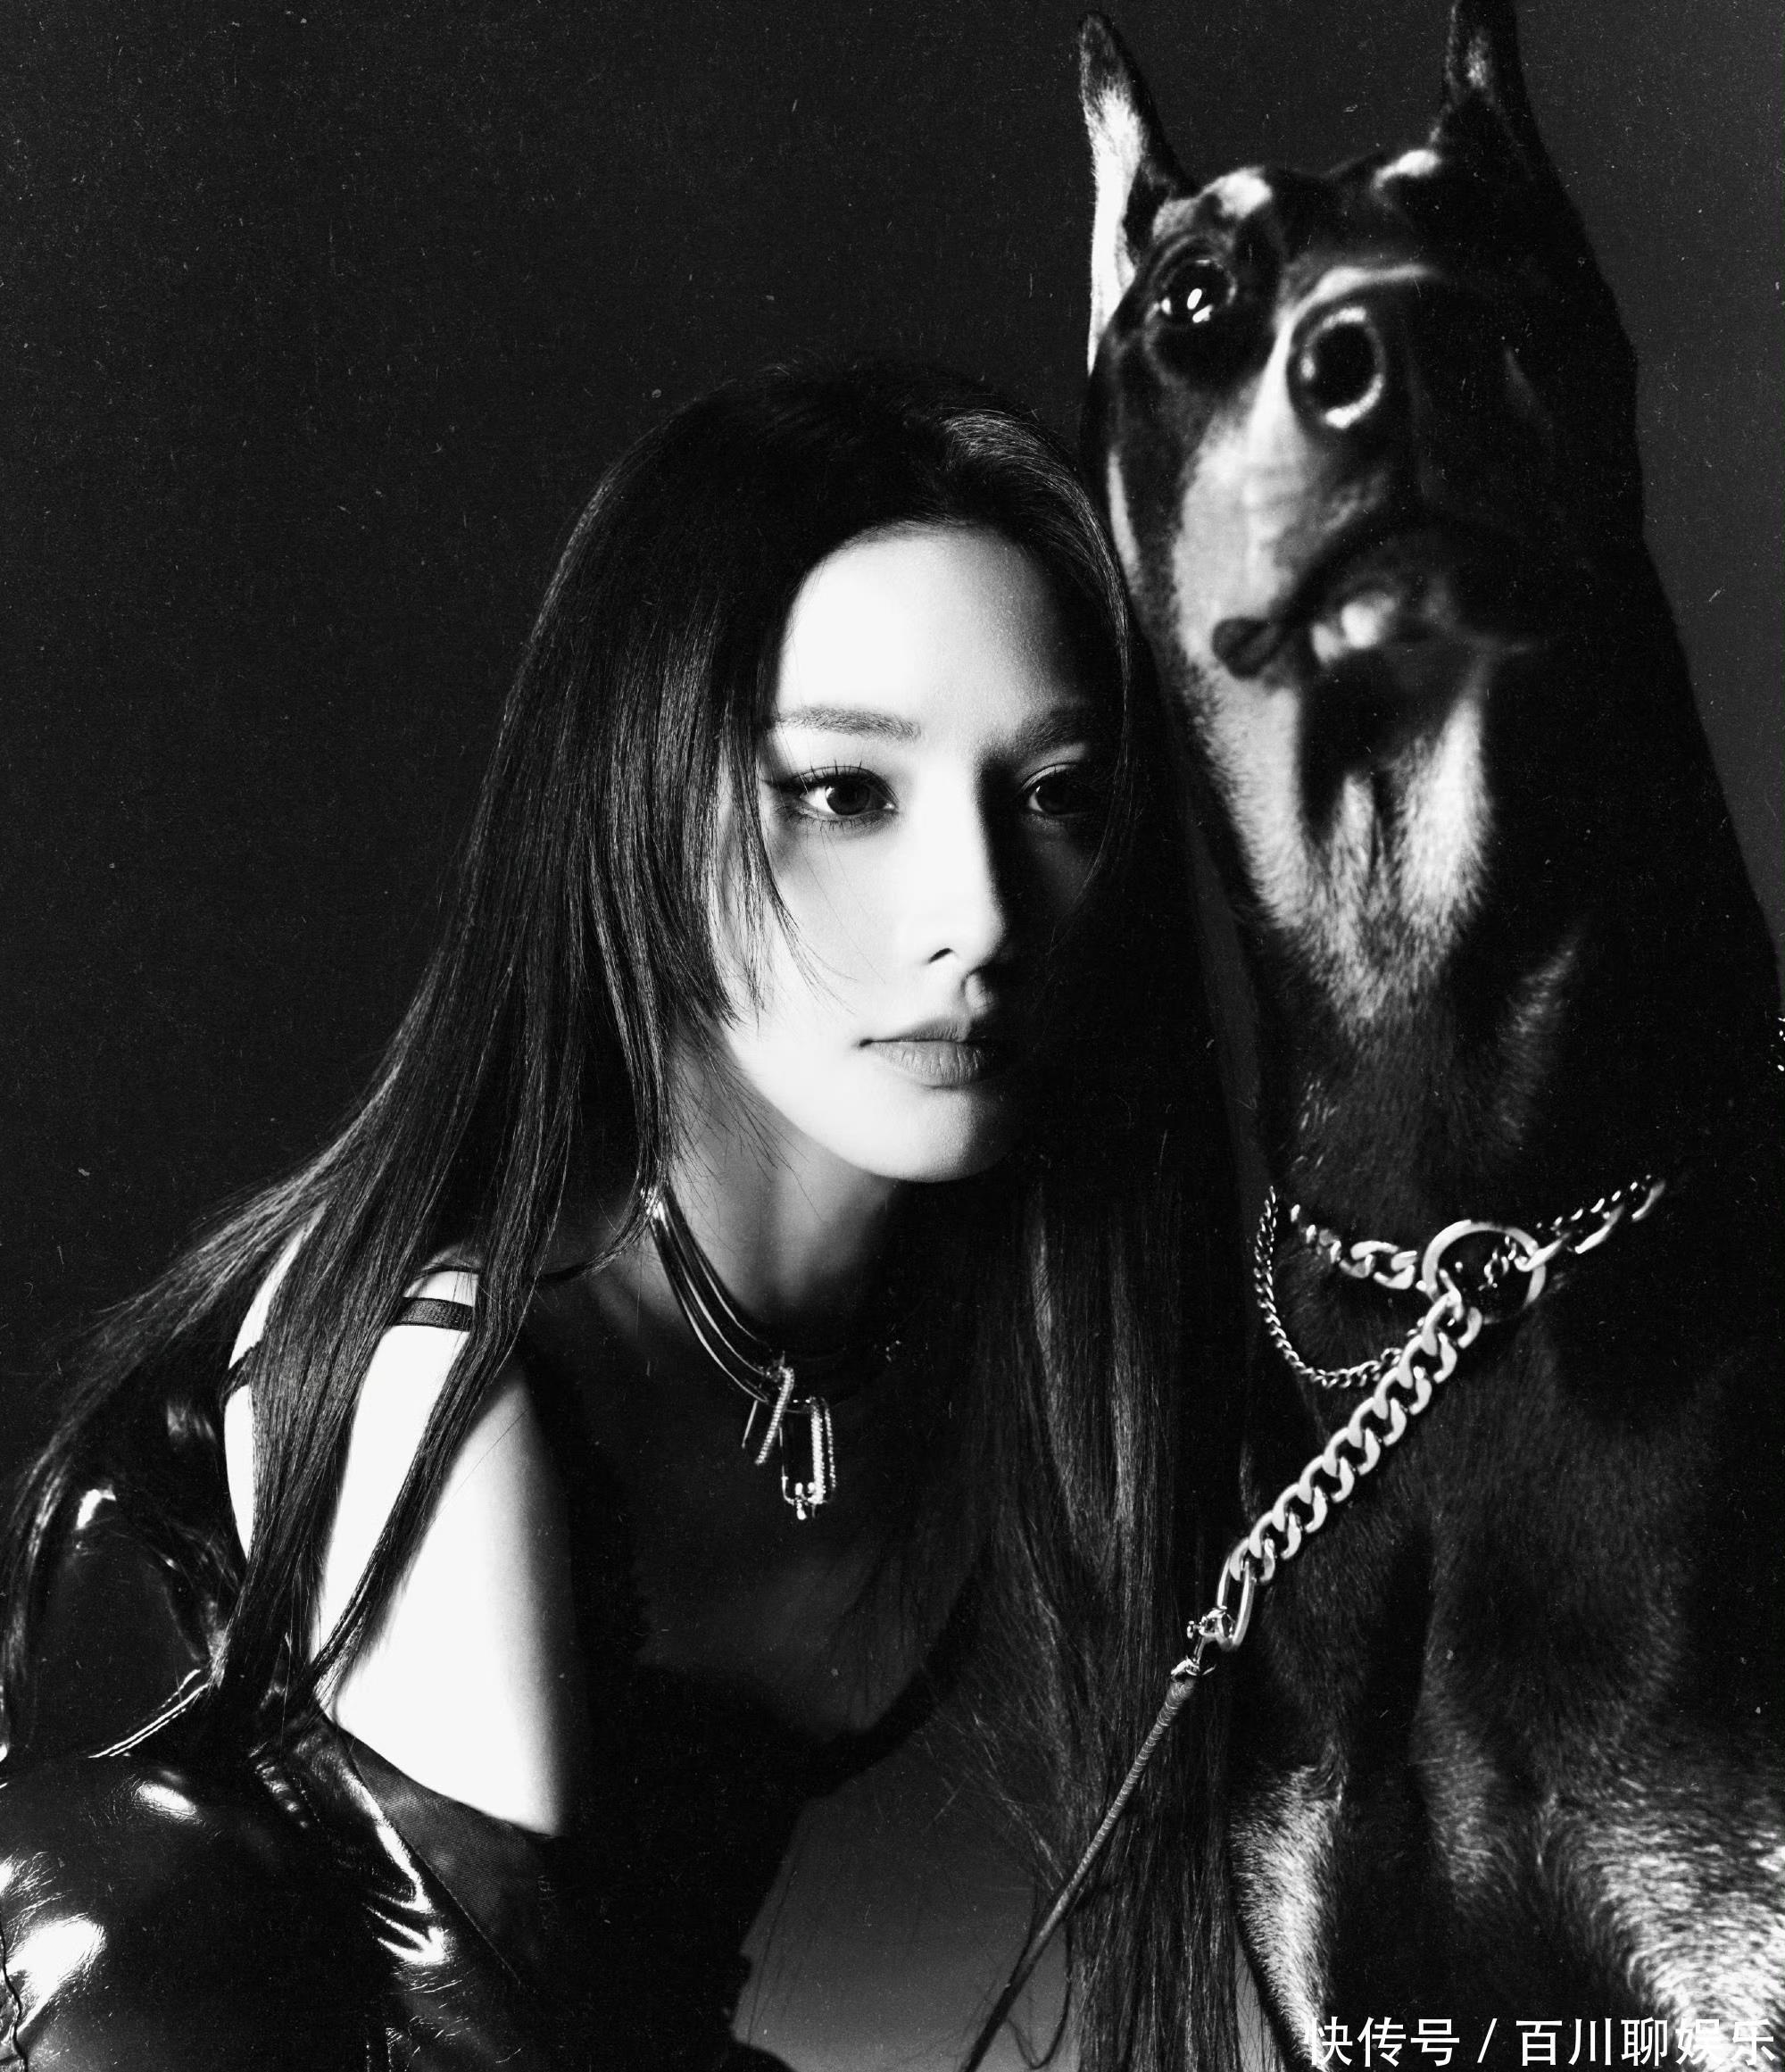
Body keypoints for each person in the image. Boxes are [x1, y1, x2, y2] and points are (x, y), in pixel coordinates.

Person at [0, 362, 1240, 2071]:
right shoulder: (451, 1368)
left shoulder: (1000, 1342)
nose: (978, 916)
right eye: (844, 792)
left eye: (1057, 797)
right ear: (636, 797)